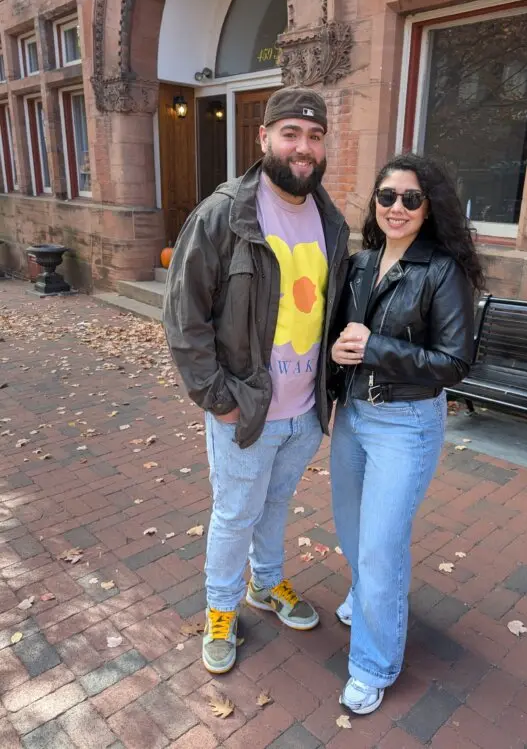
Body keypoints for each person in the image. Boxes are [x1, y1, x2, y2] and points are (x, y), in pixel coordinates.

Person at [163, 86, 349, 674]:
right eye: (291, 133)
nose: (304, 147)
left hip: (303, 413)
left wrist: (332, 393)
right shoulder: (224, 215)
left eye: (314, 136)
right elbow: (185, 318)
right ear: (263, 138)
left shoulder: (330, 218)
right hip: (244, 409)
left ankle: (264, 585)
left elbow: (332, 310)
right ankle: (221, 607)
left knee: (274, 506)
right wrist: (218, 400)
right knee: (235, 513)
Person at [330, 153, 484, 714]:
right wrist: (337, 352)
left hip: (406, 424)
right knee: (351, 527)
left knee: (380, 549)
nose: (397, 207)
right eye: (387, 196)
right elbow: (341, 335)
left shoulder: (442, 270)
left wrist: (373, 348)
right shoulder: (362, 261)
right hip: (354, 415)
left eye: (411, 198)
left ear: (429, 207)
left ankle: (373, 664)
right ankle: (368, 596)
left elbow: (453, 362)